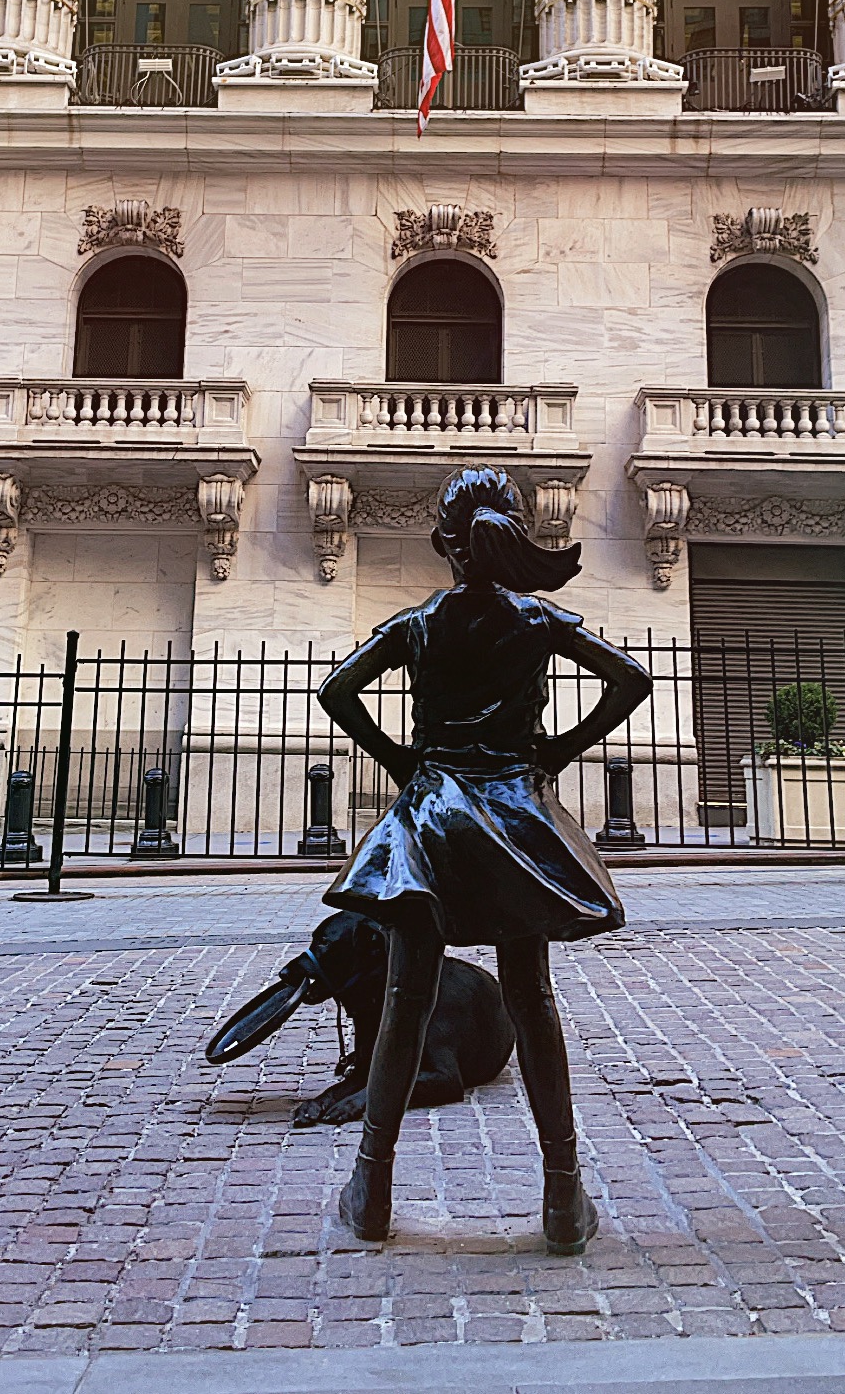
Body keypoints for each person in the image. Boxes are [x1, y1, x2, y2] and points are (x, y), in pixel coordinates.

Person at [318, 465, 652, 1252]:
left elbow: (337, 691)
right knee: (530, 996)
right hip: (511, 811)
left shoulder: (419, 622)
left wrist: (403, 761)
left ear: (444, 544)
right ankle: (563, 1195)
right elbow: (630, 679)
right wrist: (559, 749)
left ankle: (372, 1186)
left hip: (433, 812)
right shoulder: (536, 620)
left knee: (406, 997)